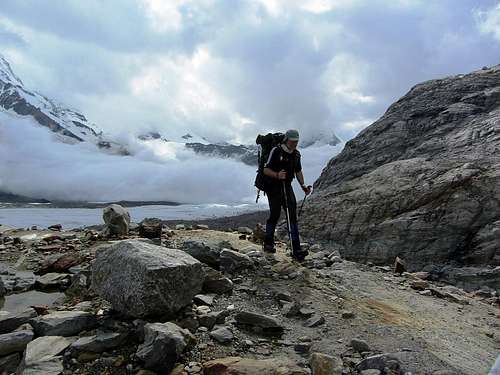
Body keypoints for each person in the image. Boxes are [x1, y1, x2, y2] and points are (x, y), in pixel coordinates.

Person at [262, 129, 311, 260]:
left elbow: (298, 171)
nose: (295, 144)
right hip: (274, 187)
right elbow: (265, 169)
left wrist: (303, 186)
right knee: (275, 214)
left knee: (292, 215)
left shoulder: (296, 154)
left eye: (296, 141)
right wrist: (277, 175)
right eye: (292, 141)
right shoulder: (276, 151)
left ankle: (296, 249)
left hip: (287, 186)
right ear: (286, 140)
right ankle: (268, 243)